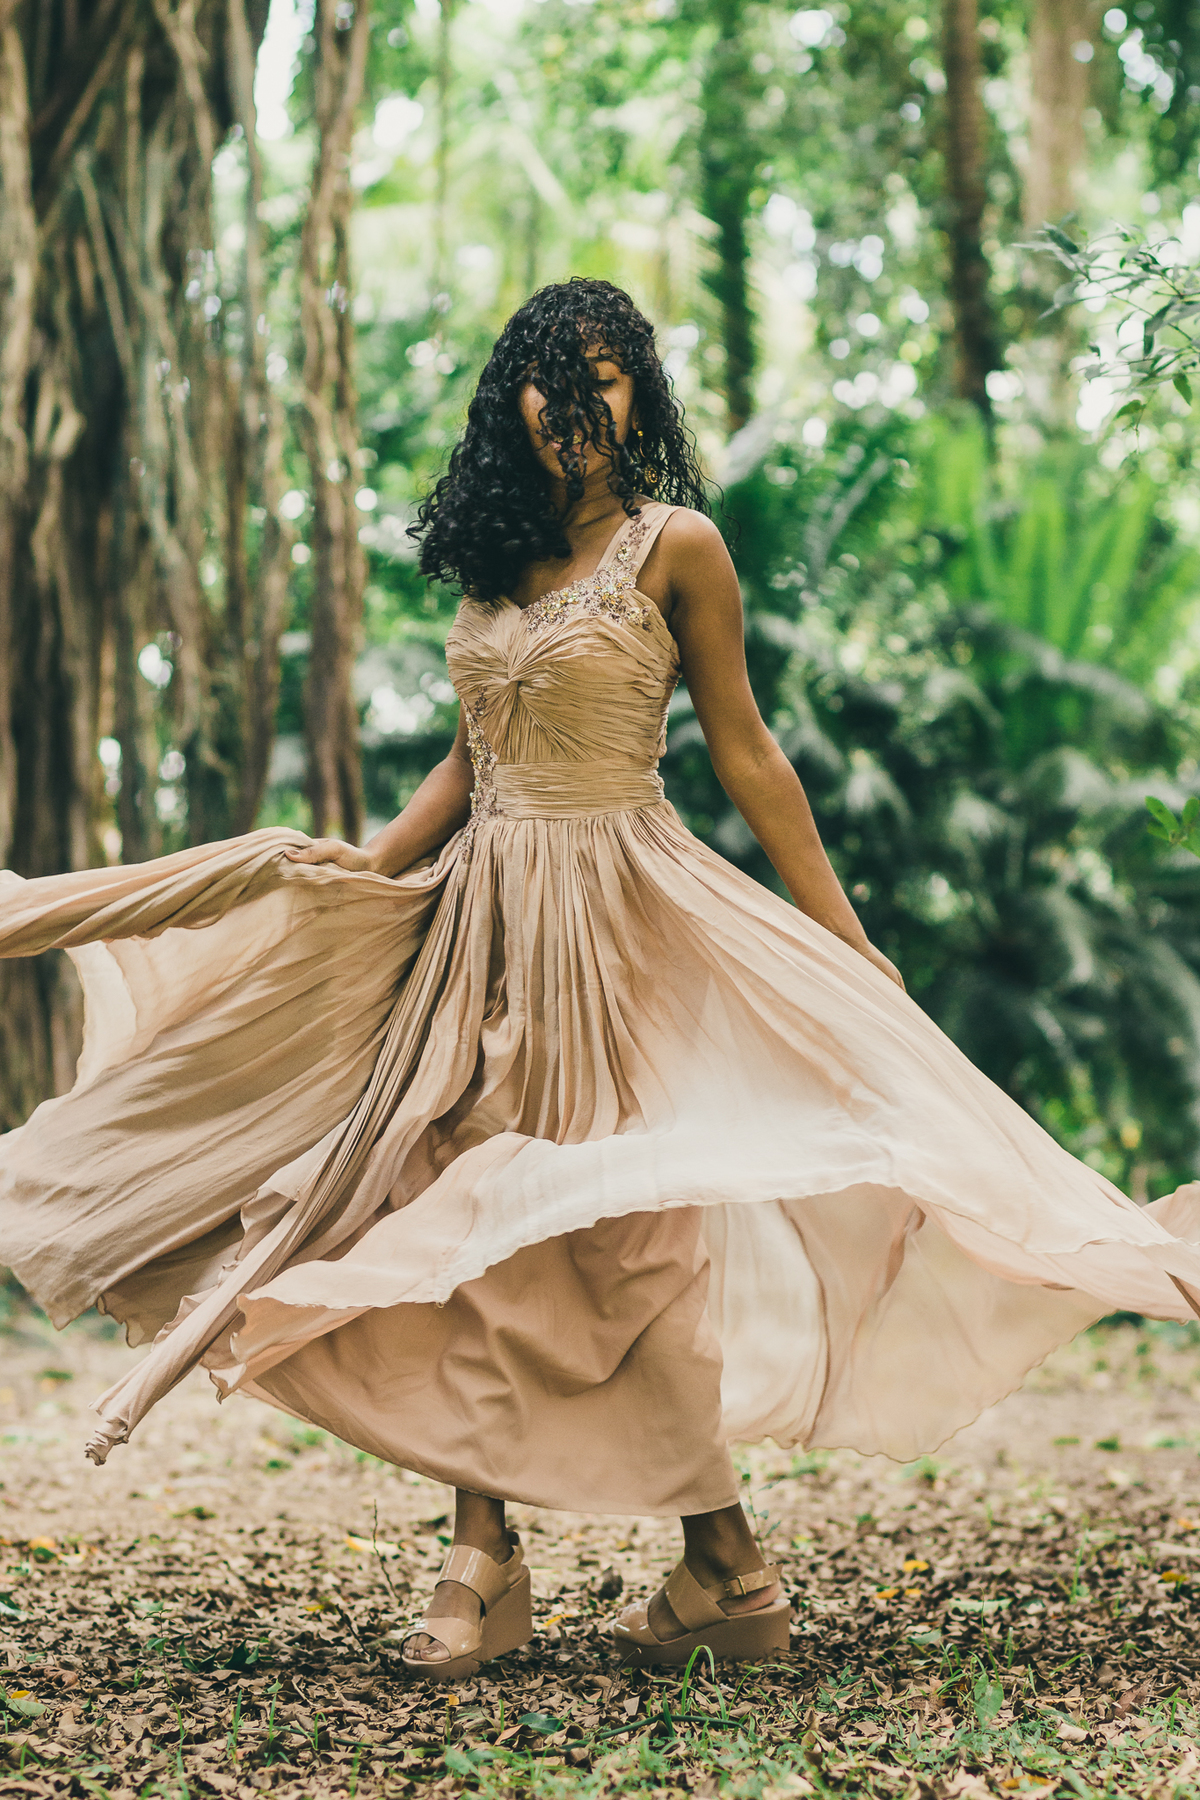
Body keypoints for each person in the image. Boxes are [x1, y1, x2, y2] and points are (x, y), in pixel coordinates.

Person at [3, 279, 1200, 1682]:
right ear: (511, 396)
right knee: (452, 1205)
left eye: (609, 378)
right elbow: (469, 760)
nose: (578, 405)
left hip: (622, 912)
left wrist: (848, 938)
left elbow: (749, 753)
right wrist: (372, 872)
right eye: (551, 379)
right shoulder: (494, 553)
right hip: (481, 924)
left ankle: (717, 1561)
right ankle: (505, 1553)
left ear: (640, 395)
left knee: (613, 1233)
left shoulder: (675, 547)